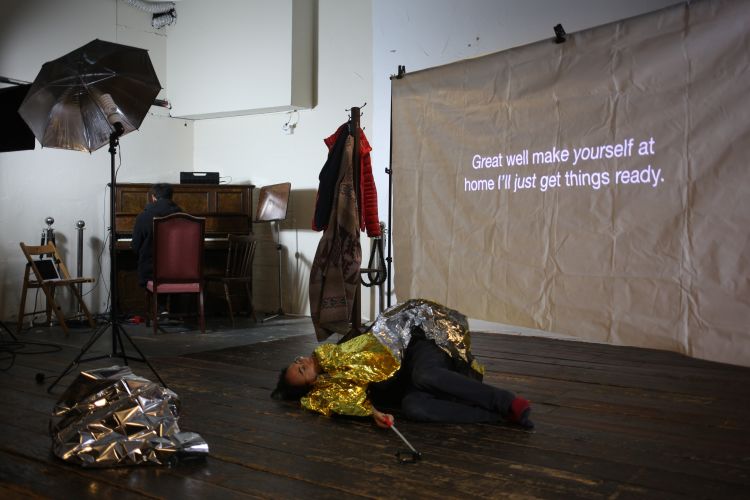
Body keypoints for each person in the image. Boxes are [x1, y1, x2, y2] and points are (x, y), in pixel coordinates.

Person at [272, 299, 533, 430]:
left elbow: (379, 342)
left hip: (419, 348)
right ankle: (498, 418)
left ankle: (506, 402)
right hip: (410, 383)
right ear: (313, 385)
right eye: (302, 370)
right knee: (414, 407)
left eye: (298, 362)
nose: (303, 360)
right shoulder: (338, 394)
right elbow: (356, 403)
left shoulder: (337, 352)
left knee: (425, 375)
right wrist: (377, 415)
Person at [131, 183, 182, 287]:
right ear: (171, 197)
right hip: (180, 271)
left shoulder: (143, 216)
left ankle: (158, 302)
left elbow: (135, 247)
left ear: (153, 198)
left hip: (152, 273)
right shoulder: (184, 216)